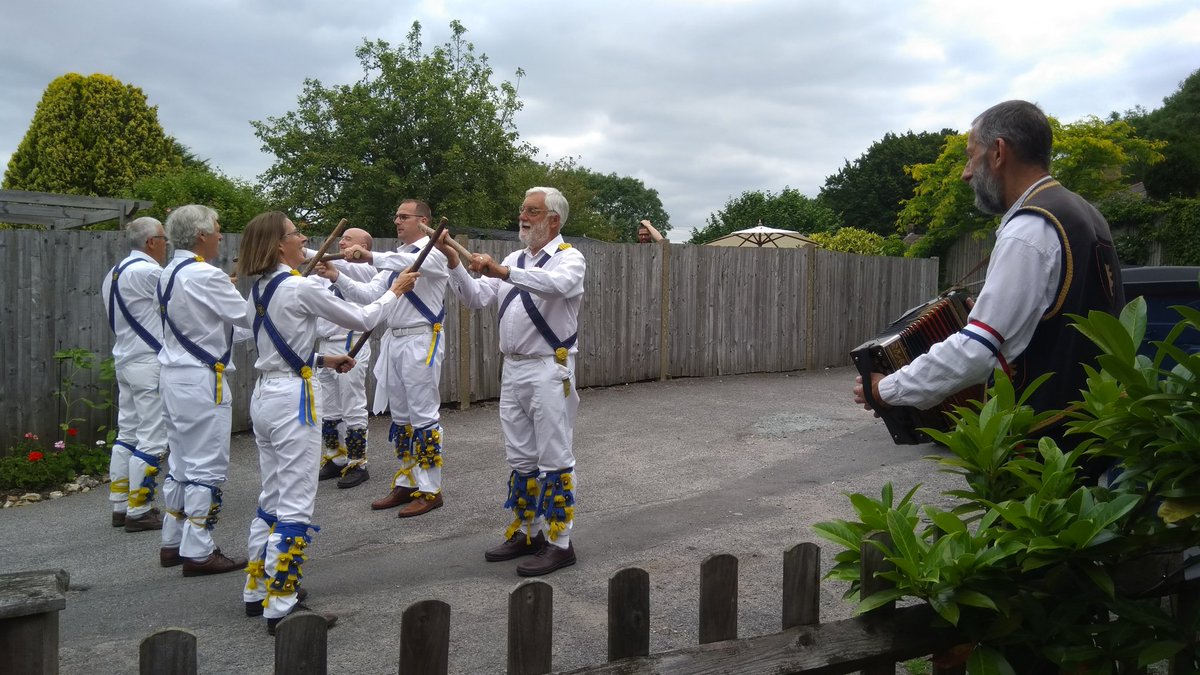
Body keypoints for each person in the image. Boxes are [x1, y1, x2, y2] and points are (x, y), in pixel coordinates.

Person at [853, 100, 1124, 451]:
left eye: (971, 155)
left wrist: (884, 389)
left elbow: (977, 351)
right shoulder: (1085, 213)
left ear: (998, 152)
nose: (967, 172)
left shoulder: (1028, 228)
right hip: (1093, 427)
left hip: (1046, 444)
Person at [237, 211, 417, 635]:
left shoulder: (260, 288)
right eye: (295, 234)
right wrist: (395, 291)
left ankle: (256, 587)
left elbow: (265, 342)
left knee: (273, 494)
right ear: (279, 246)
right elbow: (362, 318)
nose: (303, 239)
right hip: (291, 402)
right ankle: (281, 603)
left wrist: (321, 358)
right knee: (297, 500)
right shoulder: (298, 287)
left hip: (264, 395)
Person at [436, 187, 586, 577]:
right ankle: (528, 532)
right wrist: (455, 263)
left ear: (553, 220)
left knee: (555, 456)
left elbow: (553, 287)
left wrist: (503, 272)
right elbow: (475, 298)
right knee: (520, 457)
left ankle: (560, 543)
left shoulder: (570, 259)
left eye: (532, 211)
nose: (523, 216)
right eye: (522, 209)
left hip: (550, 368)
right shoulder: (513, 257)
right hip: (514, 369)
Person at [320, 200, 450, 518]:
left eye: (403, 216)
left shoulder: (432, 252)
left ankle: (431, 489)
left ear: (423, 221)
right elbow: (369, 296)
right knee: (402, 418)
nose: (396, 221)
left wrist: (369, 255)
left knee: (423, 416)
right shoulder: (396, 259)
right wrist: (336, 275)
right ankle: (407, 481)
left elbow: (402, 260)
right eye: (395, 216)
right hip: (395, 341)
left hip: (422, 340)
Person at [157, 204, 253, 576]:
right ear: (200, 236)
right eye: (215, 229)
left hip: (174, 377)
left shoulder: (168, 272)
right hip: (201, 380)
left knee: (181, 462)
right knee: (207, 466)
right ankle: (198, 549)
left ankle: (173, 541)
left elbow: (215, 326)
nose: (219, 236)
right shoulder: (205, 275)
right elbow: (248, 318)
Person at [101, 216, 169, 533]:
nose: (167, 244)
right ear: (151, 242)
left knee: (127, 432)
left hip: (126, 358)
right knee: (153, 436)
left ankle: (120, 505)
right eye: (164, 239)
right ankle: (139, 509)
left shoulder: (113, 274)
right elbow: (182, 302)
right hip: (148, 362)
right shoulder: (149, 271)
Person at [310, 228, 378, 489]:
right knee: (329, 406)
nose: (342, 242)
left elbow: (352, 272)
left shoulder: (364, 270)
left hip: (351, 344)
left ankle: (357, 462)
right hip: (326, 346)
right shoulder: (324, 272)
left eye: (348, 239)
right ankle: (335, 457)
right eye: (342, 238)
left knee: (352, 404)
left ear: (363, 245)